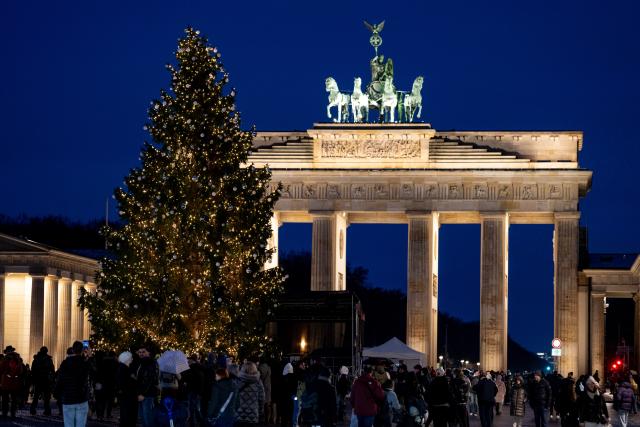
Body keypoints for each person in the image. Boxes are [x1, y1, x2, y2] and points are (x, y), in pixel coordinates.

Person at [55, 341, 90, 427]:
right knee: (80, 424)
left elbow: (60, 380)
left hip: (68, 397)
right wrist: (89, 357)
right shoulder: (84, 363)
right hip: (81, 397)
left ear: (73, 350)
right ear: (82, 350)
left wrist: (57, 393)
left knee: (69, 424)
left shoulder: (65, 363)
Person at [234, 361, 265, 427]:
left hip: (238, 414)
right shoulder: (258, 382)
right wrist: (260, 411)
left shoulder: (237, 380)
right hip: (253, 415)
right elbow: (261, 398)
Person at [135, 345, 159, 427]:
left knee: (148, 419)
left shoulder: (150, 363)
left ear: (149, 353)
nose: (141, 354)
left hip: (147, 395)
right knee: (143, 419)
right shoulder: (141, 363)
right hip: (142, 394)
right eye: (140, 352)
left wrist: (143, 394)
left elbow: (150, 380)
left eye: (143, 352)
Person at [30, 346, 55, 416]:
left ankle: (33, 409)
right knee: (45, 397)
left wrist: (33, 379)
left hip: (39, 380)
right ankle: (46, 410)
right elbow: (52, 369)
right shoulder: (48, 359)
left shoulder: (37, 359)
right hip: (45, 380)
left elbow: (33, 370)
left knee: (37, 396)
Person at [0, 346, 24, 419]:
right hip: (15, 382)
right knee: (14, 399)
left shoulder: (5, 359)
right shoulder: (17, 358)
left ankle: (5, 413)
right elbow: (21, 370)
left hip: (6, 382)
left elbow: (1, 369)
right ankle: (13, 413)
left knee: (5, 399)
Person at [95, 350, 118, 420]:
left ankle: (100, 415)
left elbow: (99, 372)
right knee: (110, 401)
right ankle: (108, 414)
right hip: (112, 384)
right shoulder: (115, 362)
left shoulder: (103, 361)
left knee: (102, 401)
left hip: (103, 383)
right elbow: (116, 374)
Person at [116, 351, 138, 427]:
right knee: (127, 418)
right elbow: (124, 384)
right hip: (128, 398)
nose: (132, 359)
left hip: (127, 398)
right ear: (127, 359)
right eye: (131, 358)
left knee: (126, 418)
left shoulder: (124, 368)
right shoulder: (123, 369)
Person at [278, 362, 298, 427]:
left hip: (284, 399)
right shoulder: (294, 377)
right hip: (292, 398)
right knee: (291, 415)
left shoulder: (283, 378)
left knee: (284, 417)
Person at [258, 359, 273, 424]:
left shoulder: (259, 367)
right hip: (268, 386)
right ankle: (268, 418)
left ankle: (262, 418)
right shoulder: (269, 367)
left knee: (261, 402)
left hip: (262, 386)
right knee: (267, 403)